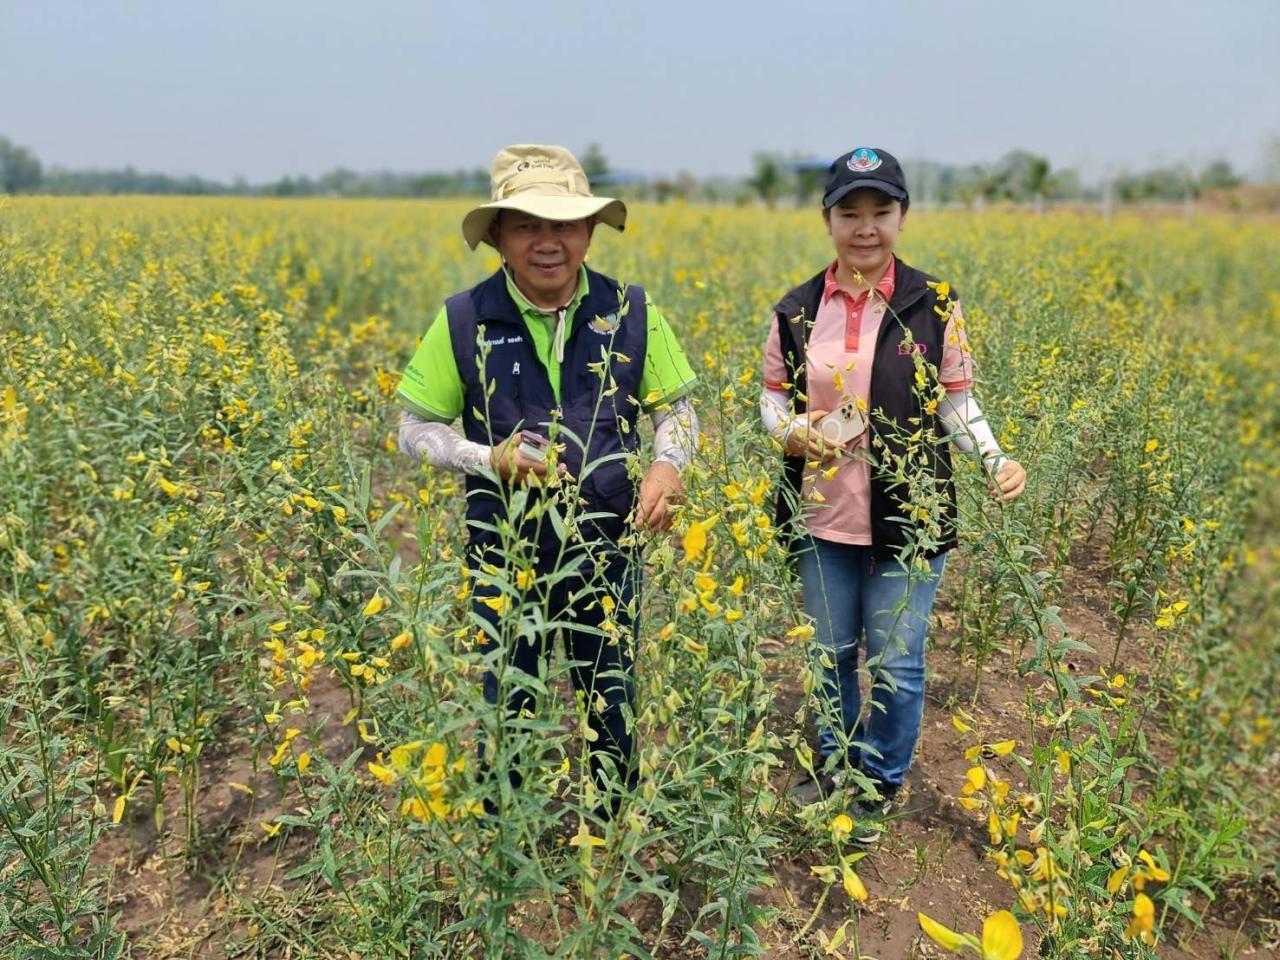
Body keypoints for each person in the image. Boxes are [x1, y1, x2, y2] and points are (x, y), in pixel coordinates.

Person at [396, 144, 699, 814]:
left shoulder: (631, 311)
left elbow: (677, 412)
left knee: (610, 691)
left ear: (589, 231)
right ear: (498, 237)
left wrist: (667, 464)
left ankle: (612, 826)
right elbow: (413, 429)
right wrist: (487, 459)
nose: (549, 242)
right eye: (528, 224)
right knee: (509, 694)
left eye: (564, 224)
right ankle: (507, 836)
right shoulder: (463, 318)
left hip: (607, 547)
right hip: (504, 551)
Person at [759, 147, 1026, 840]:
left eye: (881, 211)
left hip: (911, 515)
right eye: (851, 212)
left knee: (898, 663)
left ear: (903, 217)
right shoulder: (795, 311)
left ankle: (879, 781)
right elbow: (771, 403)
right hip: (823, 518)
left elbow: (957, 406)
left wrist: (996, 459)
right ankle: (831, 763)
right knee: (829, 654)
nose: (866, 227)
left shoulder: (934, 303)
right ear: (827, 219)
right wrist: (792, 433)